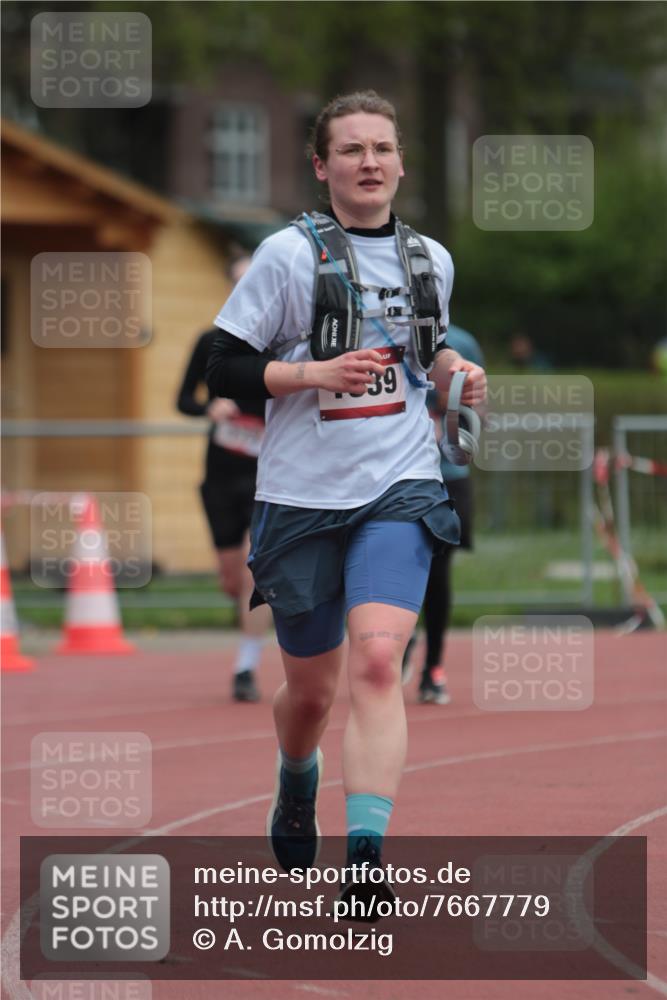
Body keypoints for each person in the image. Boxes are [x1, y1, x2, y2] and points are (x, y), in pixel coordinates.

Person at [207, 90, 486, 914]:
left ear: (400, 162)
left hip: (399, 484)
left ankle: (364, 858)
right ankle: (298, 778)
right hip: (300, 496)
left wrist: (460, 382)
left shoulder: (429, 260)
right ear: (322, 165)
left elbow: (425, 365)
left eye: (382, 148)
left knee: (375, 661)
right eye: (351, 149)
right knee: (312, 693)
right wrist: (310, 374)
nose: (369, 162)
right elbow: (222, 369)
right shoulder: (286, 258)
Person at [177, 256, 271, 703]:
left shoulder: (280, 344)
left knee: (257, 574)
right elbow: (182, 399)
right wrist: (208, 409)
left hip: (266, 478)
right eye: (237, 284)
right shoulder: (211, 342)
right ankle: (248, 638)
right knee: (232, 581)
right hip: (219, 474)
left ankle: (245, 666)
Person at [402, 324, 485, 705]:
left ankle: (432, 667)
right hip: (397, 477)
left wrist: (452, 428)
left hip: (447, 477)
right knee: (395, 567)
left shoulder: (463, 344)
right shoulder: (387, 332)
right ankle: (399, 640)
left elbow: (478, 405)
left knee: (437, 574)